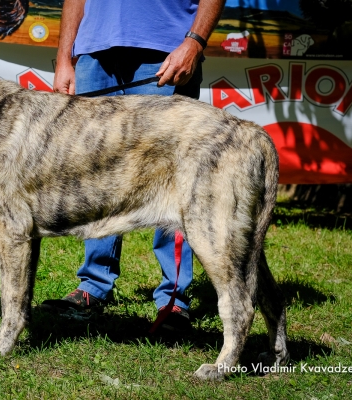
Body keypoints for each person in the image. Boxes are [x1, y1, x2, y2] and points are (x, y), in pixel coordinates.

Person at [41, 0, 225, 331]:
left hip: (165, 52)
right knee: (97, 175)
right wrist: (65, 58)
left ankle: (174, 300)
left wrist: (195, 42)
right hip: (95, 52)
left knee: (171, 179)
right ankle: (93, 287)